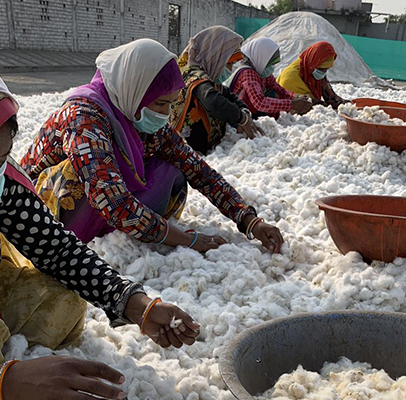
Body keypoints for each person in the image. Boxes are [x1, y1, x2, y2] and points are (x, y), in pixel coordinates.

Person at [0, 32, 200, 400]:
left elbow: (54, 247)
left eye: (0, 161)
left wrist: (135, 303)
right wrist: (0, 387)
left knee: (61, 301)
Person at [22, 39, 284, 254]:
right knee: (79, 177)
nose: (166, 113)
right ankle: (89, 233)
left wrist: (249, 220)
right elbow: (112, 201)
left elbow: (199, 170)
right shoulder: (85, 117)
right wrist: (185, 239)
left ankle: (134, 228)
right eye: (160, 104)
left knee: (175, 170)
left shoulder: (140, 115)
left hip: (108, 201)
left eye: (170, 103)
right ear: (134, 90)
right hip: (41, 209)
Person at [169, 26, 264, 155]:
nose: (230, 70)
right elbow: (214, 102)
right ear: (215, 57)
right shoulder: (194, 76)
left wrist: (244, 112)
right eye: (228, 64)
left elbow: (230, 96)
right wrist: (241, 118)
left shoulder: (209, 79)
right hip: (186, 153)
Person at [228, 37, 313, 119]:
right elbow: (259, 102)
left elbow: (279, 90)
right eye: (270, 64)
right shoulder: (247, 73)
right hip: (238, 114)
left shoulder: (261, 72)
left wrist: (295, 97)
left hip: (253, 111)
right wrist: (292, 104)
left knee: (274, 93)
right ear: (261, 59)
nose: (272, 67)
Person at [277, 41, 348, 109]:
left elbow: (329, 94)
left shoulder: (310, 68)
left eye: (326, 69)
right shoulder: (290, 78)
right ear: (313, 63)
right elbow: (302, 104)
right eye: (321, 69)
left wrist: (341, 103)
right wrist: (324, 105)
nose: (323, 73)